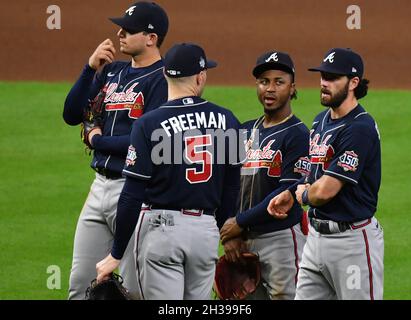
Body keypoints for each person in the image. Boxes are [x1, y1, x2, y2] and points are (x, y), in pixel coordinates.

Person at [95, 43, 243, 300]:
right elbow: (231, 187)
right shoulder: (229, 120)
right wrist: (223, 230)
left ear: (165, 75)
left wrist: (115, 254)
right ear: (201, 76)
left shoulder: (148, 123)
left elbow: (131, 194)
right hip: (205, 233)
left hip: (162, 232)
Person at [62, 1, 169, 299]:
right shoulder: (113, 72)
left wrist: (98, 141)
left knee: (136, 290)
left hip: (137, 192)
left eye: (129, 29)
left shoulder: (163, 80)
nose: (120, 32)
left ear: (151, 38)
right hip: (99, 189)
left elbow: (146, 142)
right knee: (81, 284)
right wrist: (89, 68)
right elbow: (71, 114)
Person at [267, 48, 384, 300]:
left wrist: (304, 196)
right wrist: (291, 193)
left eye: (332, 78)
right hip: (316, 240)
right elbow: (314, 173)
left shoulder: (359, 128)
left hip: (351, 242)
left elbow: (325, 191)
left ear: (353, 83)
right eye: (322, 76)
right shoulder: (321, 121)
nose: (323, 83)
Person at [219, 51, 309, 300]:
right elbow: (226, 184)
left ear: (292, 88)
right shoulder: (244, 130)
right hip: (242, 239)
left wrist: (239, 223)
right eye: (263, 81)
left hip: (281, 240)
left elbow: (286, 193)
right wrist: (229, 233)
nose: (269, 89)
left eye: (278, 82)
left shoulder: (298, 135)